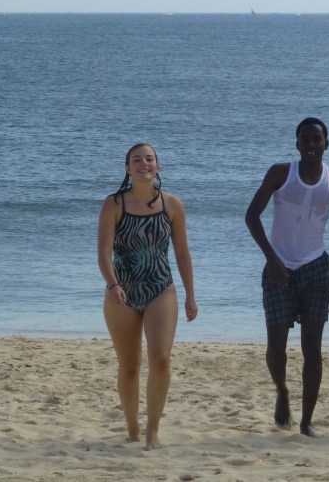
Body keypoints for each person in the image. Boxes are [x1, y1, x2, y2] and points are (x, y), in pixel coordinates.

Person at [245, 117, 329, 438]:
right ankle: (282, 392)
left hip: (317, 269)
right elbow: (251, 216)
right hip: (279, 269)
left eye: (317, 139)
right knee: (276, 349)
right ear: (297, 144)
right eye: (305, 139)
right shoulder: (280, 173)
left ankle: (306, 422)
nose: (311, 144)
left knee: (312, 349)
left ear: (326, 144)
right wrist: (272, 258)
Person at [97, 143, 198, 450]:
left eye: (149, 159)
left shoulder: (172, 205)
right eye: (137, 160)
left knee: (161, 359)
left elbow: (182, 253)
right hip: (122, 292)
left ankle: (153, 431)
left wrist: (190, 295)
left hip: (160, 288)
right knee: (129, 365)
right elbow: (103, 253)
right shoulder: (114, 204)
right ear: (128, 169)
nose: (144, 163)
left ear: (157, 166)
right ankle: (133, 431)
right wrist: (113, 285)